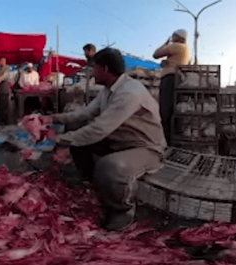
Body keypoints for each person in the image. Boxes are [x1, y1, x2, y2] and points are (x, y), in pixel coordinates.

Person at [41, 48, 166, 231]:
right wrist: (53, 119)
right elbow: (85, 113)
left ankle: (123, 210)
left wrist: (59, 139)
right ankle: (93, 184)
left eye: (94, 68)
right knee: (77, 133)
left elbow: (99, 129)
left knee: (110, 166)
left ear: (105, 69)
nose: (92, 72)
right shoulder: (108, 90)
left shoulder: (129, 92)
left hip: (145, 148)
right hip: (119, 141)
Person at [153, 29, 191, 145]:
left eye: (174, 36)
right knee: (174, 109)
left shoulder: (176, 46)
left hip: (170, 78)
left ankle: (167, 141)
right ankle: (175, 139)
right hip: (179, 79)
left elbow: (156, 55)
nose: (172, 38)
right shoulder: (187, 50)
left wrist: (166, 44)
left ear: (178, 37)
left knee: (165, 110)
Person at [0, 58, 13, 124]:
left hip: (4, 90)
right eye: (0, 61)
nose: (1, 63)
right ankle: (0, 120)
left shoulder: (7, 69)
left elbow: (3, 77)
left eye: (2, 61)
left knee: (4, 107)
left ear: (4, 62)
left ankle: (5, 121)